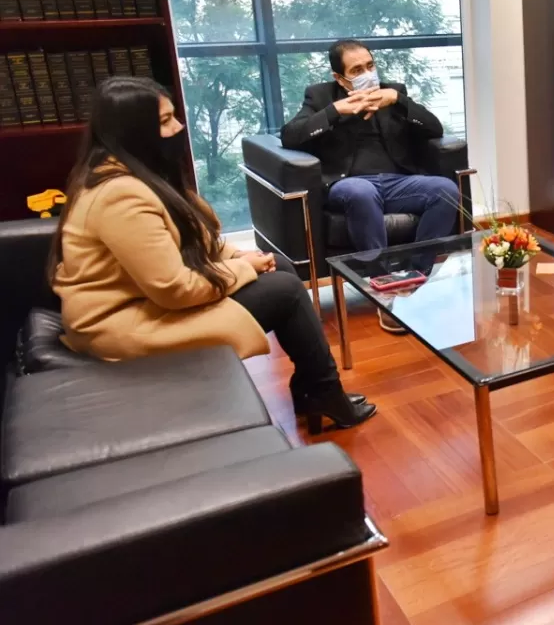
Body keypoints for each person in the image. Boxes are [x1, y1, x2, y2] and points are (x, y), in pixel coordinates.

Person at [51, 77, 375, 434]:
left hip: (144, 302)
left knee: (278, 266)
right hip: (122, 323)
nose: (178, 127)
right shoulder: (119, 194)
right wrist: (242, 268)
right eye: (164, 121)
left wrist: (243, 257)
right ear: (133, 130)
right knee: (283, 291)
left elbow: (197, 239)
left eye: (174, 116)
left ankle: (313, 388)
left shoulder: (137, 172)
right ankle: (325, 390)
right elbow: (174, 290)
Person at [282, 40, 459, 331]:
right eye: (357, 69)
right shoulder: (321, 95)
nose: (367, 73)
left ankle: (415, 278)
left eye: (370, 65)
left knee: (445, 190)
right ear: (340, 77)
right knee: (361, 192)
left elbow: (435, 128)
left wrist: (399, 101)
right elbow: (290, 135)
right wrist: (335, 111)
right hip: (349, 184)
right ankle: (383, 288)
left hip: (399, 182)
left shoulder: (392, 91)